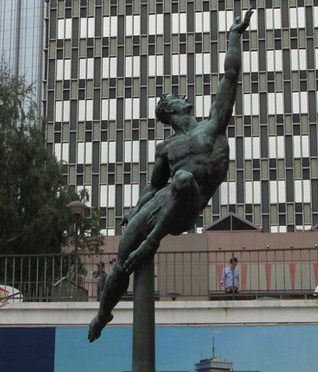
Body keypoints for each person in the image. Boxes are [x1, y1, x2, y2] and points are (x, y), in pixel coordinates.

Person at [88, 7, 254, 342]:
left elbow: (230, 77)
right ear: (173, 109)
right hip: (165, 201)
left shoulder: (213, 127)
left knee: (182, 182)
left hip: (188, 205)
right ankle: (104, 313)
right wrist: (135, 212)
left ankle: (150, 242)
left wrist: (234, 36)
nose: (184, 97)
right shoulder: (166, 148)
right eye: (178, 97)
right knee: (122, 256)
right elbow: (153, 187)